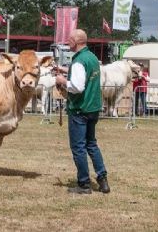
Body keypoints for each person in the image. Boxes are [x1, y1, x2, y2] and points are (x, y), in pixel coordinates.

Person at [55, 29, 110, 194]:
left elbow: (78, 87)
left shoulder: (78, 60)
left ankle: (84, 184)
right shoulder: (92, 58)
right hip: (93, 107)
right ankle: (102, 179)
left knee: (78, 147)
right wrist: (65, 70)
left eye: (69, 39)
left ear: (77, 41)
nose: (67, 42)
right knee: (91, 144)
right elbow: (84, 75)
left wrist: (62, 80)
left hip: (80, 109)